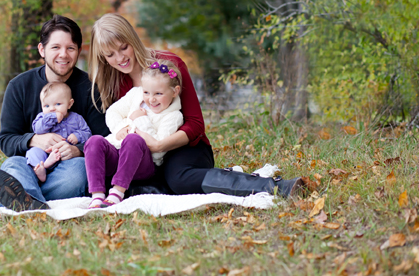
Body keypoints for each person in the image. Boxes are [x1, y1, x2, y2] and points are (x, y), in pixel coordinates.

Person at [88, 13, 303, 198]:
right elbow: (113, 123)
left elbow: (195, 124)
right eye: (110, 54)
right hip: (142, 155)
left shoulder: (168, 66)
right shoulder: (112, 82)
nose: (120, 58)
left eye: (123, 48)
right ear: (103, 57)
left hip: (182, 147)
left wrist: (160, 145)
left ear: (133, 40)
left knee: (179, 179)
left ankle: (274, 187)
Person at [0, 15, 110, 211]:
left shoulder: (91, 88)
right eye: (55, 47)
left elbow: (104, 139)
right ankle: (30, 199)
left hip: (69, 167)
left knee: (81, 172)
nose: (63, 54)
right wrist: (34, 140)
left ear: (79, 51)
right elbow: (7, 140)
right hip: (31, 165)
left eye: (70, 48)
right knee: (13, 163)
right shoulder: (19, 86)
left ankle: (3, 199)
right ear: (42, 50)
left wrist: (78, 149)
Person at [85, 58, 184, 208]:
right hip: (117, 155)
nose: (151, 99)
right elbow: (113, 111)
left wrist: (141, 120)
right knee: (94, 141)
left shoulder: (173, 116)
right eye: (146, 92)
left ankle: (117, 192)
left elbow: (158, 152)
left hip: (143, 165)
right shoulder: (135, 95)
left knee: (133, 140)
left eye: (158, 93)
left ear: (174, 91)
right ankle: (97, 195)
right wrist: (119, 128)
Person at [27, 81, 92, 182]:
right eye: (46, 106)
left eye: (57, 104)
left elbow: (87, 133)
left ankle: (45, 172)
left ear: (69, 104)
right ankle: (40, 169)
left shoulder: (76, 118)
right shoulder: (42, 117)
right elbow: (37, 129)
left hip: (64, 159)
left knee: (80, 166)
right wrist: (53, 118)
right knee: (33, 152)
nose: (52, 109)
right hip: (45, 153)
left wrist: (77, 136)